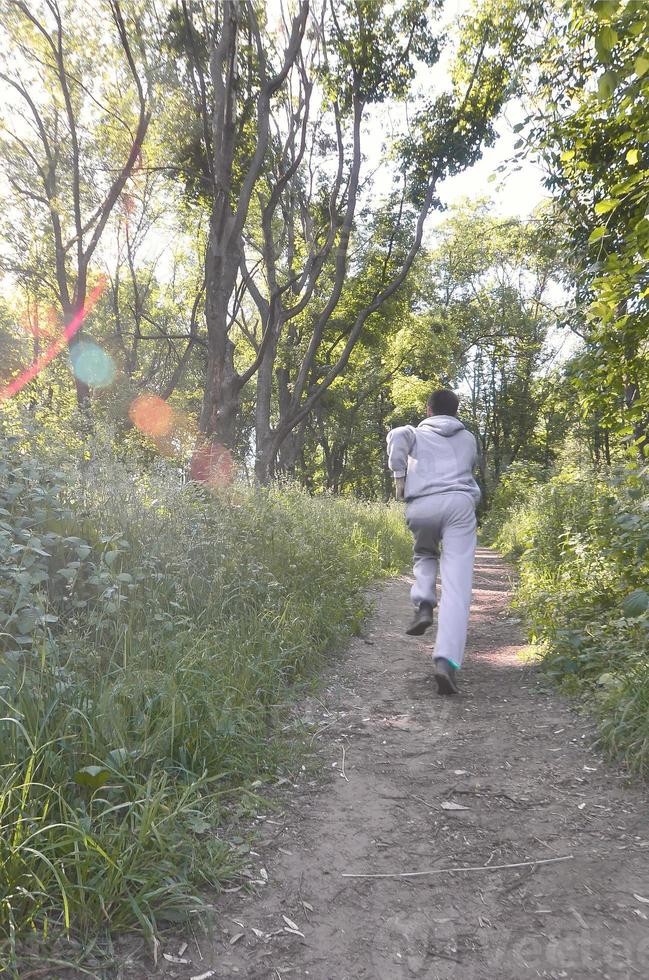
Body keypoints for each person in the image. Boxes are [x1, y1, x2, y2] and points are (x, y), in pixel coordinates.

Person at [386, 389, 480, 695]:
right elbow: (470, 468)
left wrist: (399, 476)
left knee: (424, 553)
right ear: (455, 412)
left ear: (428, 410)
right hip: (458, 505)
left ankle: (424, 602)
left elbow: (398, 433)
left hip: (422, 504)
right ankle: (445, 660)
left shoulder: (415, 433)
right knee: (457, 586)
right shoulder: (468, 438)